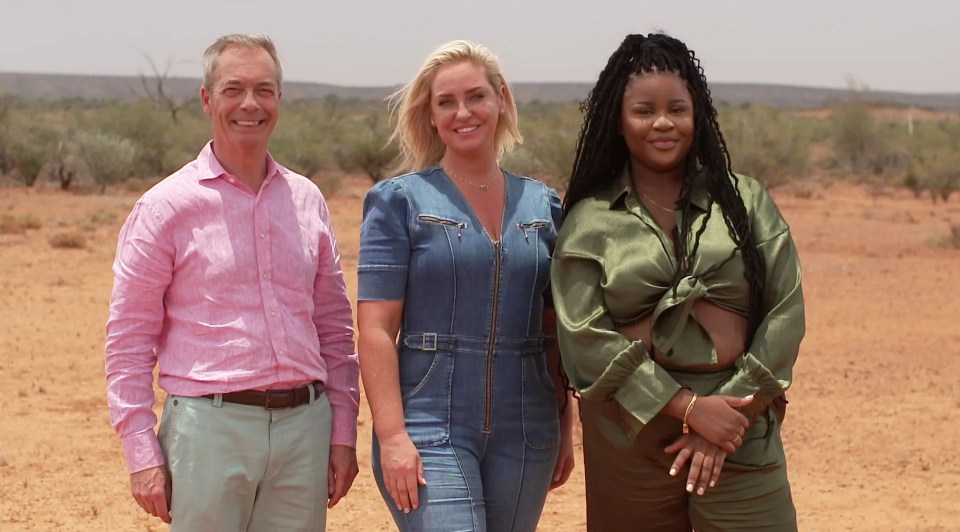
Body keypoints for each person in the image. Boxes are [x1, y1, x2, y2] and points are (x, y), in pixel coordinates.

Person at [105, 33, 360, 531]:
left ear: (279, 100)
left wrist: (342, 432)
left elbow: (335, 329)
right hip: (207, 430)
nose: (250, 104)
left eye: (264, 90)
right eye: (233, 89)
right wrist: (141, 452)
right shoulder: (164, 207)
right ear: (207, 99)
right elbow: (128, 340)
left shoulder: (307, 200)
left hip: (304, 430)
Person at [551, 33, 805, 531]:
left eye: (677, 109)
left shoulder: (746, 202)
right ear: (618, 123)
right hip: (630, 440)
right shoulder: (589, 221)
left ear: (698, 115)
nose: (663, 123)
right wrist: (689, 409)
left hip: (740, 427)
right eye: (644, 110)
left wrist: (725, 421)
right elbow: (583, 340)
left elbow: (785, 313)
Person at [356, 40, 576, 531]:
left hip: (528, 425)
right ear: (431, 116)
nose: (463, 113)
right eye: (445, 102)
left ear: (500, 100)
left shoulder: (545, 207)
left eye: (476, 96)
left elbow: (551, 327)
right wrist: (392, 436)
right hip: (429, 423)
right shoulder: (398, 202)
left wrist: (564, 423)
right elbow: (375, 328)